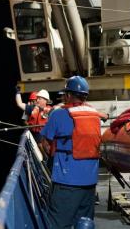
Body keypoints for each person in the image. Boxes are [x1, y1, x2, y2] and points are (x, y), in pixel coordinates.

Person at [40, 76, 101, 228]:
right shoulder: (95, 115)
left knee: (58, 224)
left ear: (68, 95)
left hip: (66, 183)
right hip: (90, 184)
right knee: (84, 224)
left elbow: (45, 143)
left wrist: (53, 157)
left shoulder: (58, 114)